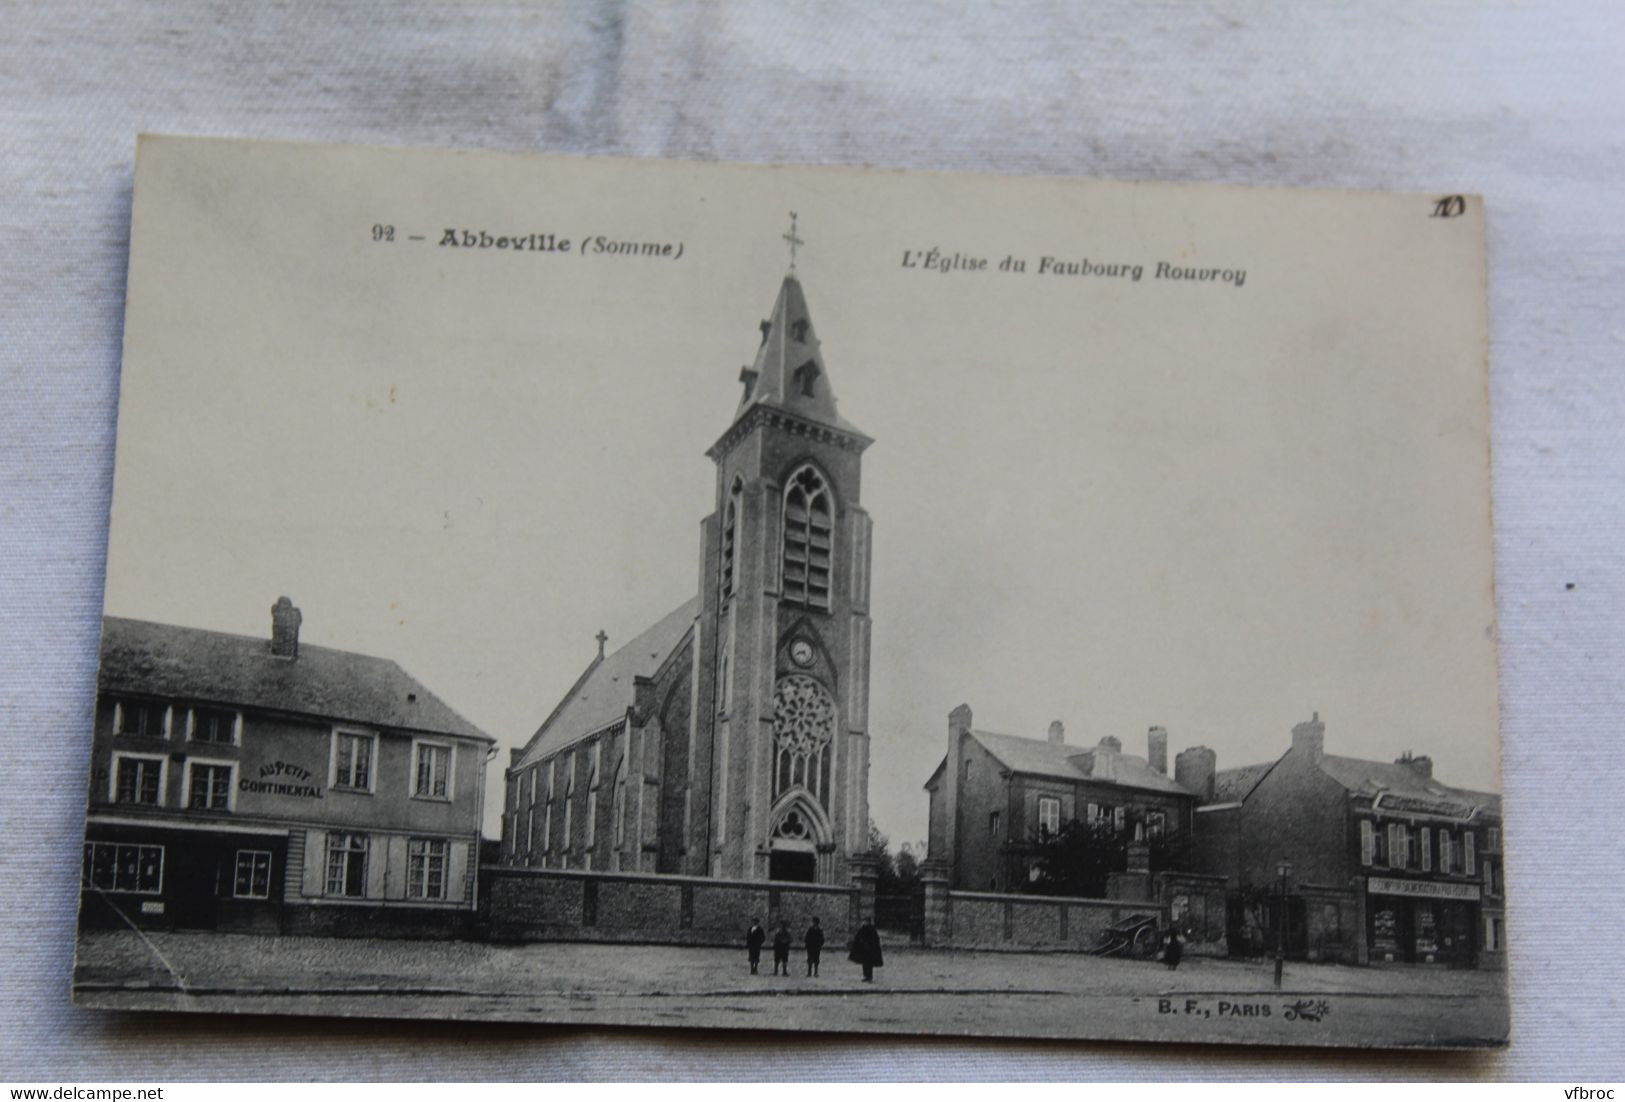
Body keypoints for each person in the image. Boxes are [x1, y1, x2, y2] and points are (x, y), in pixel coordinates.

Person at [849, 916, 884, 982]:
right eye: (863, 921)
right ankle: (866, 976)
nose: (863, 923)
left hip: (869, 951)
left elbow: (874, 940)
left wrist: (869, 946)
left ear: (868, 922)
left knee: (869, 964)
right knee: (865, 964)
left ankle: (869, 977)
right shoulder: (863, 929)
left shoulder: (871, 929)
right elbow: (858, 937)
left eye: (865, 921)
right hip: (864, 950)